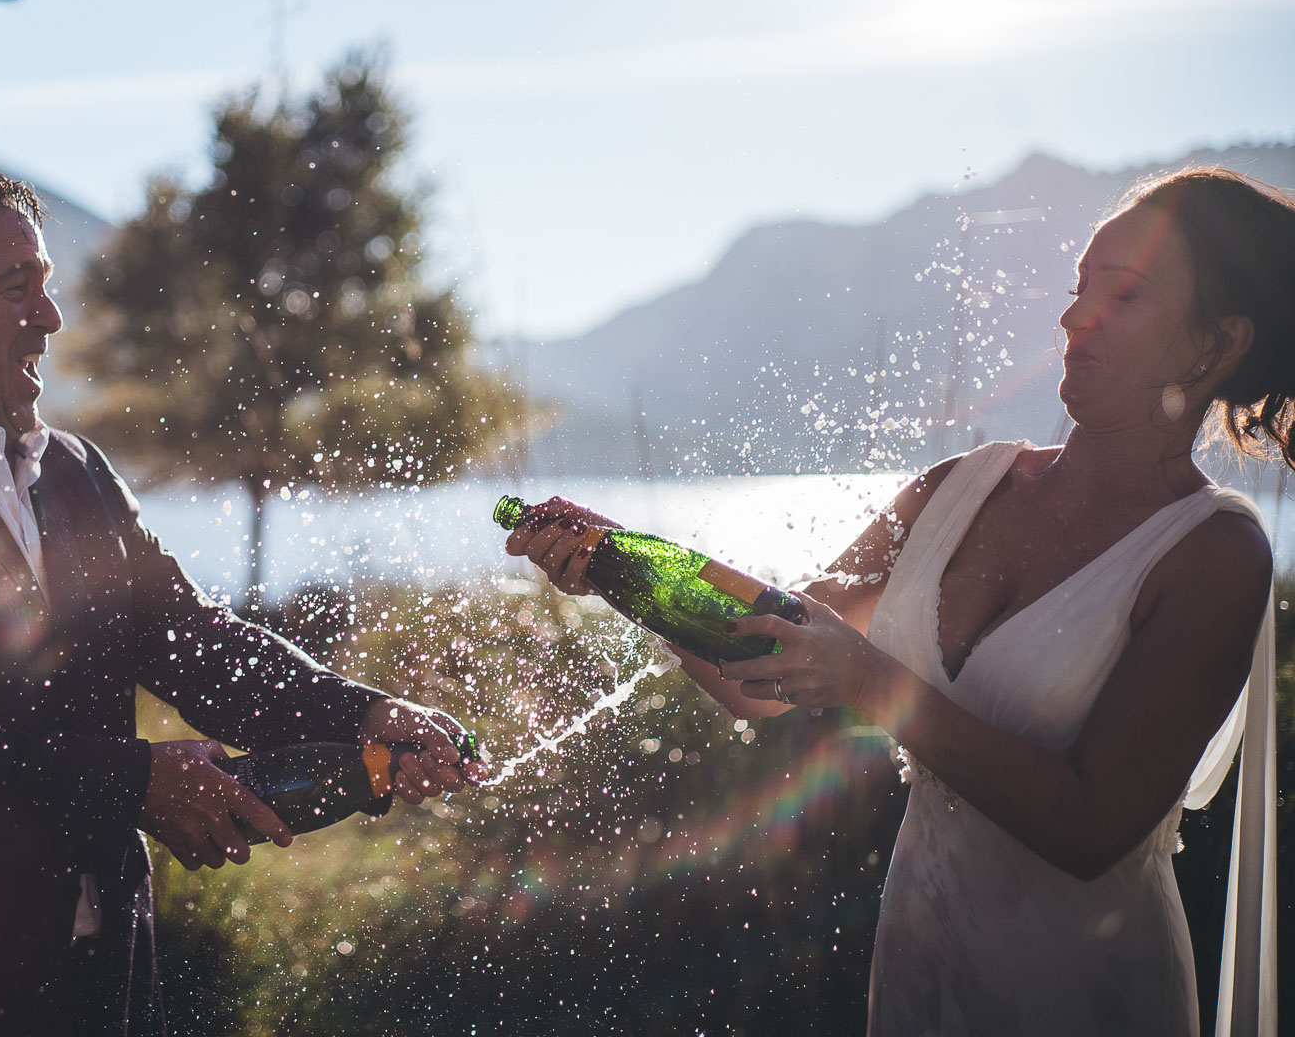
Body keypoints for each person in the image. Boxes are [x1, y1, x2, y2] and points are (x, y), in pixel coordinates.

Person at [506, 167, 1285, 1036]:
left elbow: (1093, 825)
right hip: (921, 956)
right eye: (1078, 288)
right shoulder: (961, 485)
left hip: (1085, 987)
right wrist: (620, 570)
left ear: (1213, 345)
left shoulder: (1213, 553)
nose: (1073, 318)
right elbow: (758, 670)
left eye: (1125, 293)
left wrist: (875, 683)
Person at [0, 162, 481, 1036]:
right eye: (15, 286)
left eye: (47, 286)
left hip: (100, 985)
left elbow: (192, 642)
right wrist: (134, 780)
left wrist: (364, 713)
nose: (51, 317)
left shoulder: (78, 475)